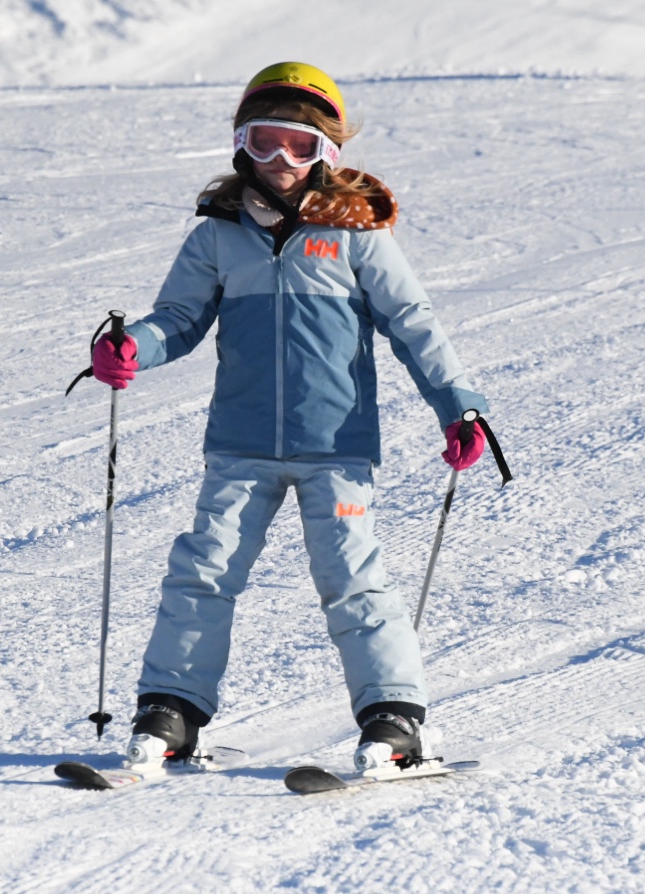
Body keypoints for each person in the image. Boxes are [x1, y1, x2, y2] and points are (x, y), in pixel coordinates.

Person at [90, 62, 490, 771]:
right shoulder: (218, 234)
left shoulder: (357, 233)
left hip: (335, 446)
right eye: (266, 142)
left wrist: (458, 406)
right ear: (242, 144)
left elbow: (413, 322)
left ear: (329, 155)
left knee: (351, 576)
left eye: (302, 148)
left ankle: (394, 715)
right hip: (241, 444)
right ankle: (173, 708)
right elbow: (178, 319)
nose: (281, 162)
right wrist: (130, 348)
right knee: (204, 569)